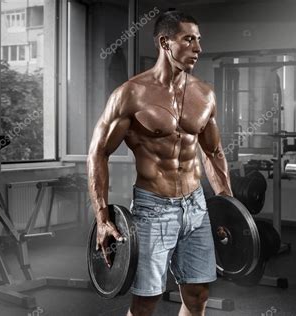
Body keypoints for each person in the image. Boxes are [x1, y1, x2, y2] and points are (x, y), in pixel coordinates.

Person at [87, 10, 233, 316]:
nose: (198, 48)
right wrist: (102, 216)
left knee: (197, 294)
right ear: (165, 43)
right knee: (146, 301)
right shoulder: (131, 95)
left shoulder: (204, 94)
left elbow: (213, 152)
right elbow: (98, 152)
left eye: (199, 39)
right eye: (188, 39)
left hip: (196, 206)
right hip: (154, 208)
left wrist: (227, 204)